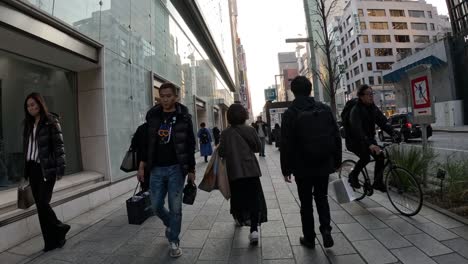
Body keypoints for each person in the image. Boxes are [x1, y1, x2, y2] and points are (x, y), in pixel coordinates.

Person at [280, 76, 342, 249]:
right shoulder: (323, 108)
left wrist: (286, 169)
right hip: (323, 162)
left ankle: (309, 238)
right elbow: (336, 136)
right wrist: (337, 161)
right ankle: (326, 230)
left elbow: (286, 144)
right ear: (310, 89)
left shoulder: (290, 113)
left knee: (306, 203)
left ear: (293, 91)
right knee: (322, 198)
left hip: (302, 166)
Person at [138, 82, 196, 258]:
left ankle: (174, 240)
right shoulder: (153, 115)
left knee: (175, 207)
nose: (165, 99)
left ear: (175, 97)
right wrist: (141, 165)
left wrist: (192, 169)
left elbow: (190, 144)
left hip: (176, 169)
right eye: (162, 96)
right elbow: (145, 143)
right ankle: (170, 224)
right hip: (156, 168)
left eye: (168, 96)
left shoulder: (184, 117)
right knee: (155, 206)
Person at [22, 92, 70, 252]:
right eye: (28, 106)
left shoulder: (51, 121)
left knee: (43, 203)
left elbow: (59, 147)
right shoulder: (28, 124)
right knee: (40, 208)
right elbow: (27, 149)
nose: (31, 108)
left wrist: (60, 169)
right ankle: (51, 241)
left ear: (40, 104)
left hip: (47, 169)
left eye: (33, 104)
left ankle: (60, 228)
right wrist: (24, 172)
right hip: (32, 169)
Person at [218, 103, 268, 245]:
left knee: (237, 197)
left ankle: (238, 218)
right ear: (243, 116)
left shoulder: (225, 133)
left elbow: (221, 152)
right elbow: (258, 147)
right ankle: (253, 231)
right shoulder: (250, 130)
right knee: (254, 199)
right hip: (251, 171)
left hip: (234, 172)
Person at [346, 84, 398, 192]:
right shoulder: (355, 110)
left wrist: (394, 133)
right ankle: (353, 176)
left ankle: (377, 182)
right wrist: (370, 144)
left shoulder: (373, 108)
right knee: (365, 157)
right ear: (361, 96)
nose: (371, 96)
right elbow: (357, 130)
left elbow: (383, 122)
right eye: (368, 94)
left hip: (368, 139)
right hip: (355, 141)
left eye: (372, 94)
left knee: (380, 156)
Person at [131, 122, 149, 191]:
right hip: (155, 166)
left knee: (145, 189)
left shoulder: (141, 128)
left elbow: (133, 145)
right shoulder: (158, 127)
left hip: (143, 166)